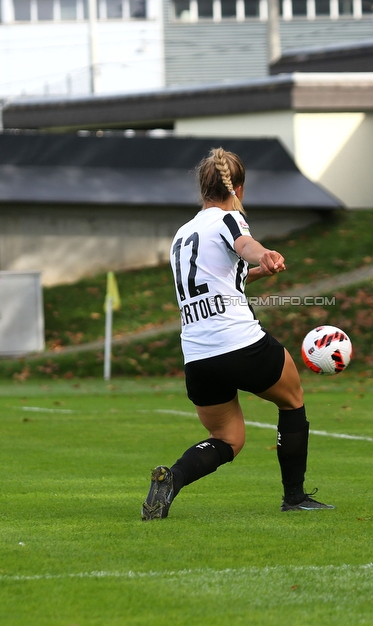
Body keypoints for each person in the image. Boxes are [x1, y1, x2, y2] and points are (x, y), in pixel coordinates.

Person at [142, 147, 333, 520]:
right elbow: (245, 245)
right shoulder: (230, 220)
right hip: (239, 344)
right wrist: (262, 253)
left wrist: (258, 268)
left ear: (202, 189)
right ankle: (294, 496)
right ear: (239, 189)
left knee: (228, 439)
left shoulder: (183, 234)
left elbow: (223, 278)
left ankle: (172, 479)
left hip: (198, 357)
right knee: (292, 398)